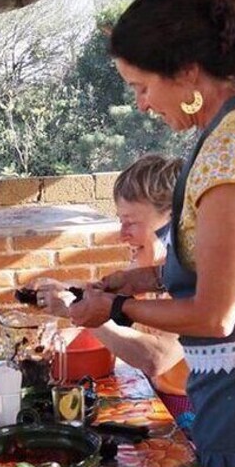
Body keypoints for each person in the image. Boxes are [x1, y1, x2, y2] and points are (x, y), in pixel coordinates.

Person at [67, 0, 235, 467]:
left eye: (142, 86)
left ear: (185, 72)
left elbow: (215, 314)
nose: (140, 103)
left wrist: (117, 306)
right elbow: (232, 263)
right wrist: (144, 277)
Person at [39, 154, 193, 424]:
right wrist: (75, 295)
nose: (122, 235)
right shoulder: (154, 271)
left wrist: (77, 312)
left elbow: (157, 358)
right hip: (160, 401)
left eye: (131, 222)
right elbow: (119, 313)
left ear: (172, 219)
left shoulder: (190, 275)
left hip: (192, 414)